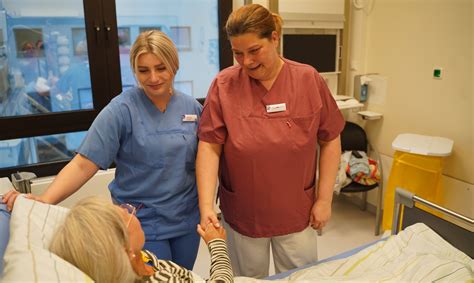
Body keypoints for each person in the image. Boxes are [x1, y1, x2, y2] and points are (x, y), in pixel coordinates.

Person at [3, 30, 203, 270]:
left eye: (161, 68)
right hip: (143, 224)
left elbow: (205, 159)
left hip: (186, 220)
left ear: (175, 64)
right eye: (143, 70)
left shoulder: (191, 108)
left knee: (184, 276)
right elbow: (83, 163)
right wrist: (44, 200)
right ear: (134, 71)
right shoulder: (121, 110)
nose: (153, 77)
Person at [196, 4, 345, 278]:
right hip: (244, 213)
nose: (247, 62)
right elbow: (209, 146)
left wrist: (324, 199)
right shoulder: (224, 85)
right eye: (238, 53)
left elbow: (330, 139)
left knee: (299, 276)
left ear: (274, 38)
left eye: (254, 51)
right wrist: (207, 208)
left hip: (296, 211)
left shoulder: (308, 79)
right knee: (247, 278)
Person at [49, 197, 233, 283]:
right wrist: (217, 244)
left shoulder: (141, 259)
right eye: (126, 214)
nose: (131, 210)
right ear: (124, 249)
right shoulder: (160, 280)